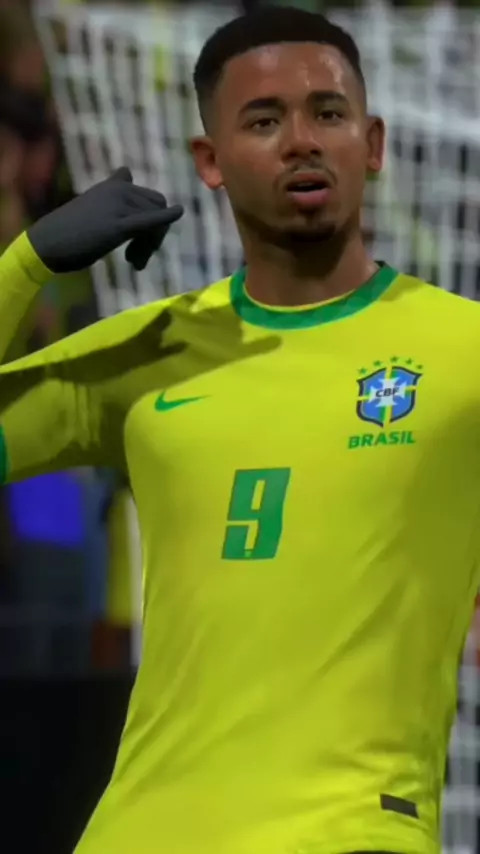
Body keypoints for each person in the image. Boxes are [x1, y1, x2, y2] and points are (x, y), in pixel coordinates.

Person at [0, 5, 479, 853]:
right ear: (210, 161)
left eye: (327, 113)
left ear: (371, 143)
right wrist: (26, 262)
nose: (301, 141)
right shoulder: (148, 350)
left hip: (346, 833)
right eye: (264, 121)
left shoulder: (463, 350)